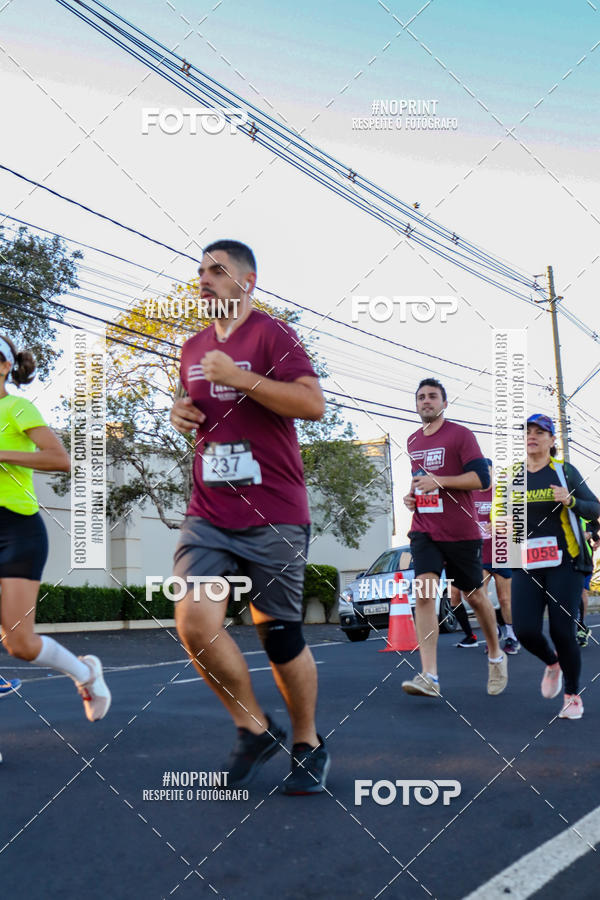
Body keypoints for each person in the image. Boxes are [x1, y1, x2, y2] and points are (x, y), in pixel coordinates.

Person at [169, 240, 330, 794]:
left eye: (218, 271)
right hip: (209, 510)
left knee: (278, 635)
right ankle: (253, 726)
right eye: (201, 272)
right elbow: (196, 410)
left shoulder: (271, 335)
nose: (205, 280)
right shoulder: (191, 348)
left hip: (274, 512)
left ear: (248, 281)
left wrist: (242, 379)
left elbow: (312, 404)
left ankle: (308, 742)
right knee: (193, 622)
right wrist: (180, 413)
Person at [0, 334, 111, 755]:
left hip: (16, 530)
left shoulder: (16, 407)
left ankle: (85, 672)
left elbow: (60, 458)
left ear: (5, 367)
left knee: (20, 644)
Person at [401, 378, 508, 698]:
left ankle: (495, 655)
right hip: (424, 529)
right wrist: (412, 497)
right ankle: (429, 675)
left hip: (461, 532)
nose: (426, 401)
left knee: (475, 597)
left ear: (444, 404)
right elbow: (421, 483)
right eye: (421, 397)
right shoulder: (412, 441)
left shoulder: (461, 435)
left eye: (433, 397)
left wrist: (440, 482)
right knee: (423, 592)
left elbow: (481, 478)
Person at [509, 414, 600, 719]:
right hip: (528, 563)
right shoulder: (515, 477)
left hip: (566, 560)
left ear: (551, 441)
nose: (532, 436)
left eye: (540, 432)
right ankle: (552, 663)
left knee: (563, 630)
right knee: (523, 629)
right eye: (528, 432)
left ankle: (573, 695)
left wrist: (571, 500)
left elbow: (595, 507)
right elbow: (505, 522)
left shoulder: (564, 472)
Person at [473, 459, 520, 655]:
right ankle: (494, 632)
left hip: (502, 552)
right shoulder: (470, 493)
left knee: (505, 599)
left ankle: (512, 636)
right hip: (480, 554)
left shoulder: (502, 494)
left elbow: (518, 519)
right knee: (479, 599)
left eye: (487, 471)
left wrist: (502, 523)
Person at [576, 522, 599, 647]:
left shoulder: (580, 506)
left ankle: (581, 627)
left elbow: (594, 524)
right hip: (561, 558)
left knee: (581, 591)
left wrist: (592, 536)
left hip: (583, 559)